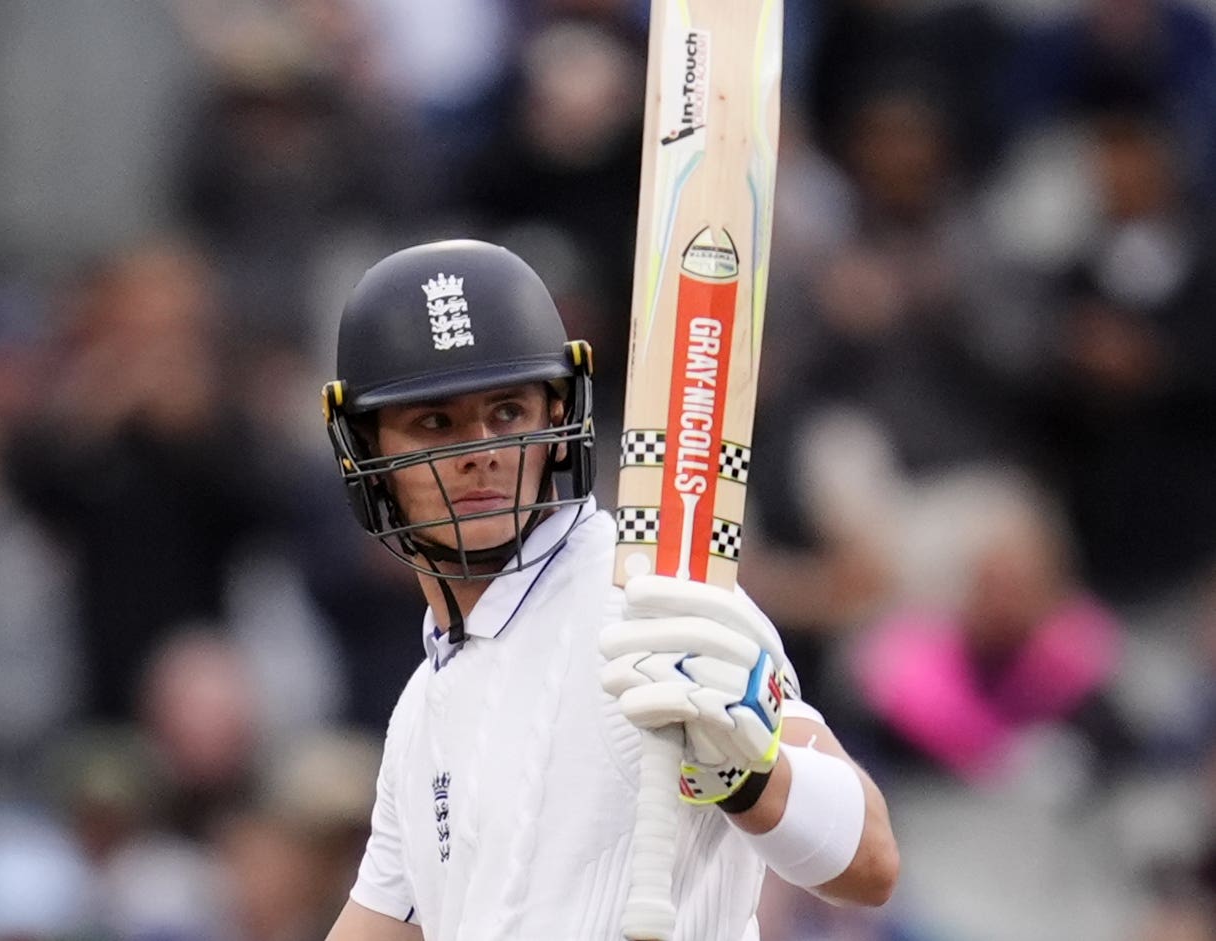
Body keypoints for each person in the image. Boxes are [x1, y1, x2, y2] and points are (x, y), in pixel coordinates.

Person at [317, 239, 899, 940]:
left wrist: (751, 774)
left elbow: (869, 860)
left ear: (557, 422)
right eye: (435, 421)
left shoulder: (646, 601)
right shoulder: (422, 712)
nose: (482, 450)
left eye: (506, 412)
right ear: (366, 451)